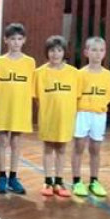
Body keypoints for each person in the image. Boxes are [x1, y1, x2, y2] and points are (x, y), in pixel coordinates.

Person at [0, 23, 34, 195]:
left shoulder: (30, 62)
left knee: (16, 143)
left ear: (24, 40)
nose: (16, 42)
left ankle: (13, 177)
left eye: (19, 39)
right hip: (3, 107)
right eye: (12, 39)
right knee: (2, 141)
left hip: (20, 108)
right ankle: (2, 176)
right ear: (5, 40)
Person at [34, 35, 79, 198]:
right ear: (47, 52)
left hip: (65, 118)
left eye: (59, 50)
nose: (55, 54)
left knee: (61, 149)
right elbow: (37, 97)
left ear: (64, 52)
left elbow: (77, 97)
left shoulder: (74, 73)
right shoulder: (39, 73)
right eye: (52, 50)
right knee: (48, 149)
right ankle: (47, 181)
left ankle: (59, 181)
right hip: (48, 117)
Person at [72, 36, 110, 197]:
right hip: (82, 113)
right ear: (86, 52)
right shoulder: (79, 74)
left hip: (99, 114)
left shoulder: (108, 75)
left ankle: (94, 181)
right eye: (94, 50)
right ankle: (77, 181)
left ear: (105, 53)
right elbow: (75, 96)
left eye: (101, 50)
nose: (97, 53)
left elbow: (108, 97)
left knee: (95, 149)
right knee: (79, 147)